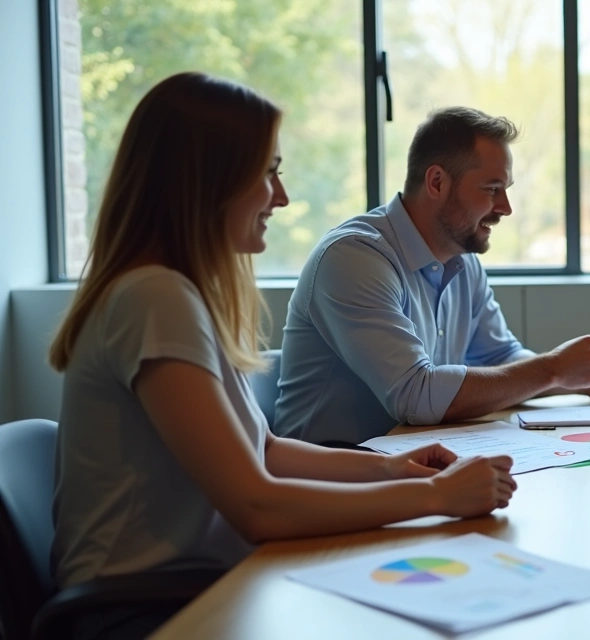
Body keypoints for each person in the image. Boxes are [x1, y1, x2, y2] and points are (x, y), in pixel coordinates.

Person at [48, 73, 515, 637]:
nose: (282, 196)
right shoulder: (154, 298)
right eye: (268, 172)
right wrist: (431, 495)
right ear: (209, 180)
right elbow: (256, 506)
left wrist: (390, 468)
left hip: (205, 582)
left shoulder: (179, 293)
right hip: (145, 612)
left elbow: (263, 449)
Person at [273, 107, 590, 446]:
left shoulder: (462, 262)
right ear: (436, 182)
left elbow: (501, 359)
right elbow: (415, 396)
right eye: (491, 189)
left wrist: (577, 377)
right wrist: (551, 370)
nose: (505, 208)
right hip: (330, 485)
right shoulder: (355, 257)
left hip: (409, 465)